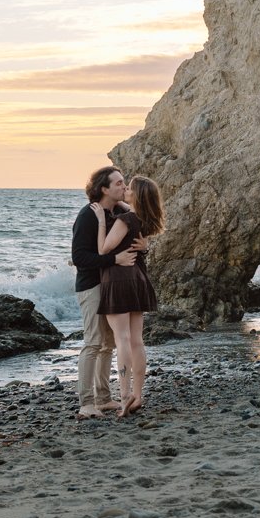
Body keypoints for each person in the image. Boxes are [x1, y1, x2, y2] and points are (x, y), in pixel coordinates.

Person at [70, 167, 143, 419]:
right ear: (104, 188)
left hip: (112, 285)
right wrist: (114, 260)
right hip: (91, 285)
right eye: (119, 183)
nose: (124, 187)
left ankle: (103, 398)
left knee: (109, 344)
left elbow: (133, 239)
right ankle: (86, 403)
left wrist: (145, 247)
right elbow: (79, 257)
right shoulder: (88, 215)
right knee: (93, 342)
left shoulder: (119, 211)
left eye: (124, 183)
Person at [92, 175, 163, 417]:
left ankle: (124, 396)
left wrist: (102, 220)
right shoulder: (146, 220)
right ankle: (138, 395)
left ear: (137, 196)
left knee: (122, 339)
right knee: (136, 341)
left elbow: (104, 249)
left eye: (129, 188)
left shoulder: (125, 219)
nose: (126, 190)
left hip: (119, 280)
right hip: (139, 280)